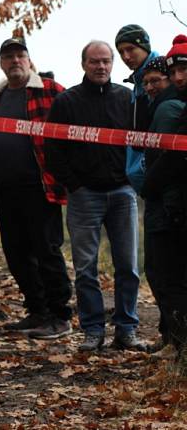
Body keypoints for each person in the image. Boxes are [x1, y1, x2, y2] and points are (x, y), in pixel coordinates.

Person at [44, 40, 144, 352]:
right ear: (84, 64)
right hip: (84, 196)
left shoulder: (127, 98)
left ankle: (126, 330)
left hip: (122, 193)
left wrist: (132, 179)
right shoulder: (66, 101)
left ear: (113, 64)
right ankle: (92, 331)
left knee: (127, 266)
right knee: (85, 268)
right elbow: (52, 147)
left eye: (106, 61)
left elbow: (142, 141)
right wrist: (74, 184)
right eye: (94, 61)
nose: (100, 66)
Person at [0, 38, 72, 339]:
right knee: (16, 254)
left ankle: (60, 316)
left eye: (20, 55)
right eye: (9, 57)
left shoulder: (51, 92)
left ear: (29, 60)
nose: (15, 61)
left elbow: (74, 132)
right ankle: (36, 311)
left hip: (41, 188)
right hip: (4, 189)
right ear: (2, 63)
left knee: (47, 251)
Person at [141, 38, 187, 359]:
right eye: (177, 71)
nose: (180, 77)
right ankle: (175, 342)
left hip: (173, 204)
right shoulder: (171, 103)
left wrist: (150, 185)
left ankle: (179, 347)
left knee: (169, 276)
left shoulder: (171, 107)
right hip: (170, 201)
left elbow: (170, 159)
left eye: (183, 70)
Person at [115, 24, 158, 192]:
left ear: (144, 46)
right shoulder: (138, 82)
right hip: (144, 180)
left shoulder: (162, 76)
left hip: (159, 179)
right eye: (120, 52)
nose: (126, 56)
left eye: (130, 49)